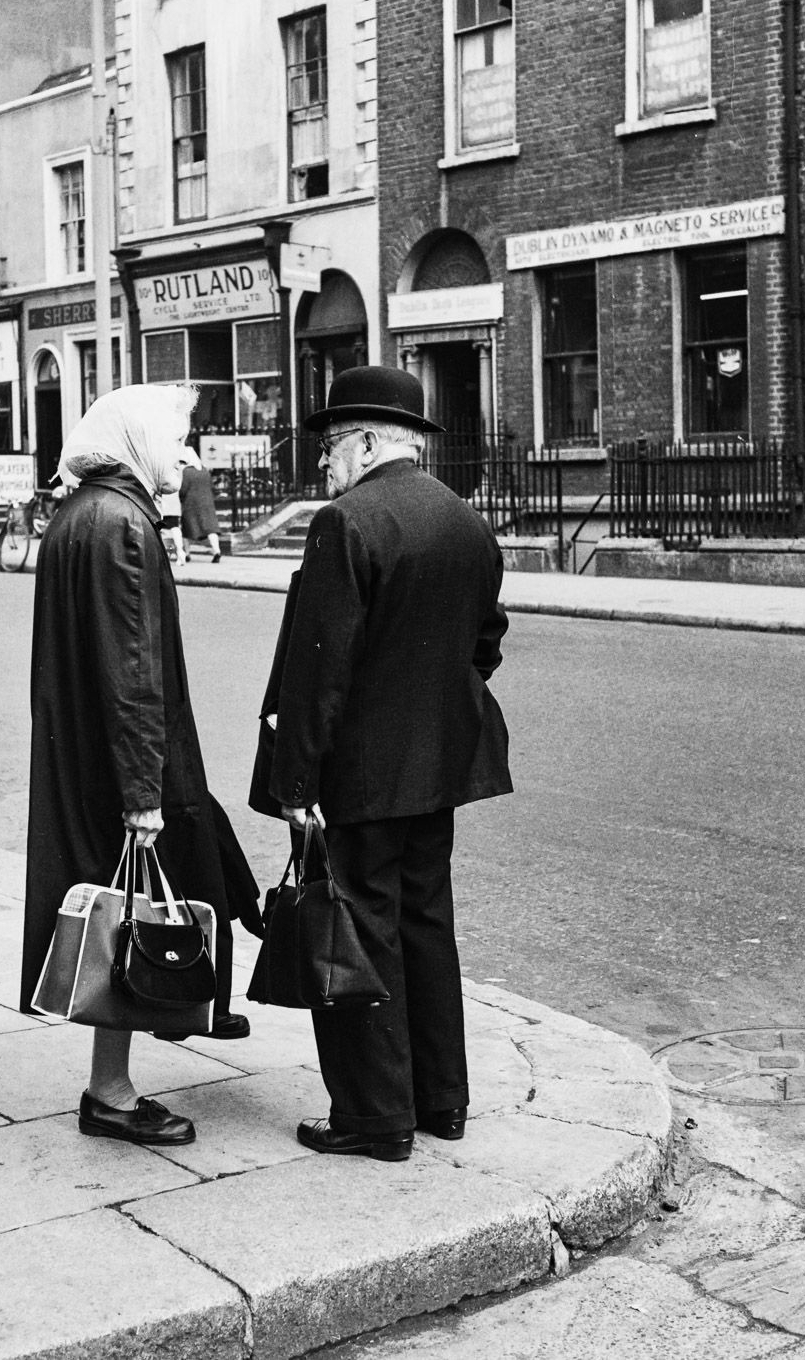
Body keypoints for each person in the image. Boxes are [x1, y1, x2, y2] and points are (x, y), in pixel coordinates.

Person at [249, 366, 512, 1162]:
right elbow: (485, 643)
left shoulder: (346, 522)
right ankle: (440, 1100)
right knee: (425, 924)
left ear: (366, 443)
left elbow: (317, 670)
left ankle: (372, 1117)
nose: (323, 463)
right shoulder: (467, 521)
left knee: (356, 931)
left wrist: (297, 786)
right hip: (440, 768)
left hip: (360, 777)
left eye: (330, 446)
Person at [20, 383, 262, 1147]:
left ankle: (181, 1026)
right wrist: (141, 793)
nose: (183, 453)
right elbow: (133, 671)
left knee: (139, 908)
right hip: (123, 760)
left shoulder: (77, 513)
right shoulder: (123, 524)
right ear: (137, 440)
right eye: (175, 437)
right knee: (139, 917)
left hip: (84, 750)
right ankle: (114, 1092)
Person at [179, 446, 221, 563]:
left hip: (190, 504)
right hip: (207, 504)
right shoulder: (204, 470)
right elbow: (212, 487)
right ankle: (217, 550)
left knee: (186, 529)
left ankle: (187, 553)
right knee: (211, 529)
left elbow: (182, 490)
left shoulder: (186, 472)